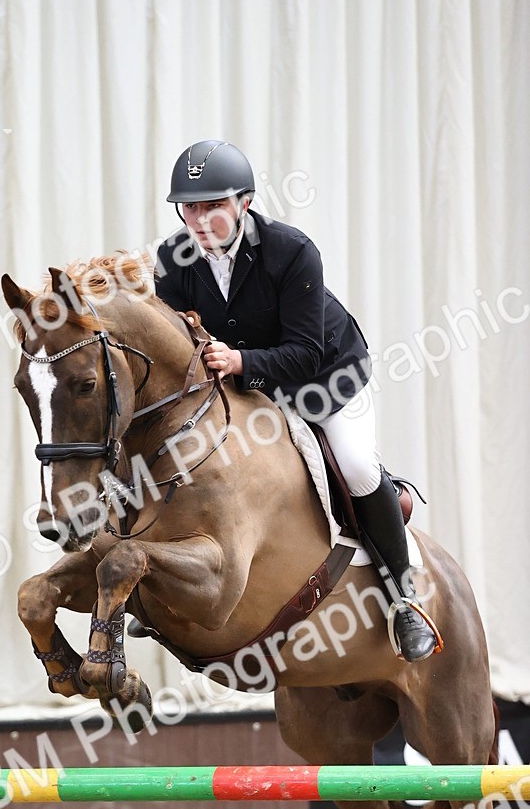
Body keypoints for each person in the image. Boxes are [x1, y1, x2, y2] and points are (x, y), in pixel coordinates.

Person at [155, 139, 436, 662]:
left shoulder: (290, 250)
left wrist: (239, 361)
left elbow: (306, 350)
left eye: (212, 205)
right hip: (247, 390)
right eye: (189, 206)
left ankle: (404, 597)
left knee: (353, 464)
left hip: (325, 379)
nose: (198, 220)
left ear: (243, 203)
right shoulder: (174, 259)